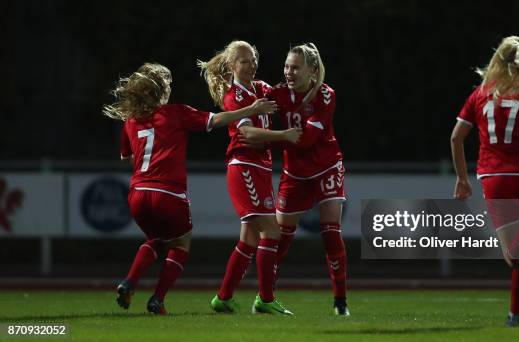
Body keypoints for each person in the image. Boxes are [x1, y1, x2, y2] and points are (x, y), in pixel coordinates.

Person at [103, 62, 277, 315]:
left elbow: (125, 159)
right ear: (160, 90)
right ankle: (157, 300)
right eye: (169, 84)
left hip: (137, 194)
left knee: (155, 240)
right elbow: (216, 120)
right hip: (168, 193)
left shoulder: (131, 121)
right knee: (180, 244)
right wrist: (250, 109)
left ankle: (129, 281)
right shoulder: (175, 113)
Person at [450, 36, 519, 327]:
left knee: (515, 257)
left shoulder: (481, 94)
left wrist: (462, 179)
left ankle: (514, 316)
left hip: (497, 176)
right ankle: (514, 317)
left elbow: (456, 137)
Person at [198, 41, 300, 315]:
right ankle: (265, 300)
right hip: (243, 166)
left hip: (260, 168)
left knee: (249, 240)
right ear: (232, 66)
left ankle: (223, 298)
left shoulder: (260, 88)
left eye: (253, 59)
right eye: (244, 61)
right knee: (272, 231)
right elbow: (248, 135)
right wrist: (284, 136)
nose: (251, 65)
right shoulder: (234, 97)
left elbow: (286, 93)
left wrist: (302, 80)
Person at [259, 43, 350, 316]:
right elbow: (253, 96)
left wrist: (272, 139)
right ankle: (266, 297)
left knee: (331, 233)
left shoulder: (324, 95)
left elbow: (307, 140)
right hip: (295, 174)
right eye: (286, 66)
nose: (289, 71)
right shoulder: (277, 94)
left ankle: (340, 302)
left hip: (327, 168)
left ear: (311, 71)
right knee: (280, 239)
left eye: (295, 67)